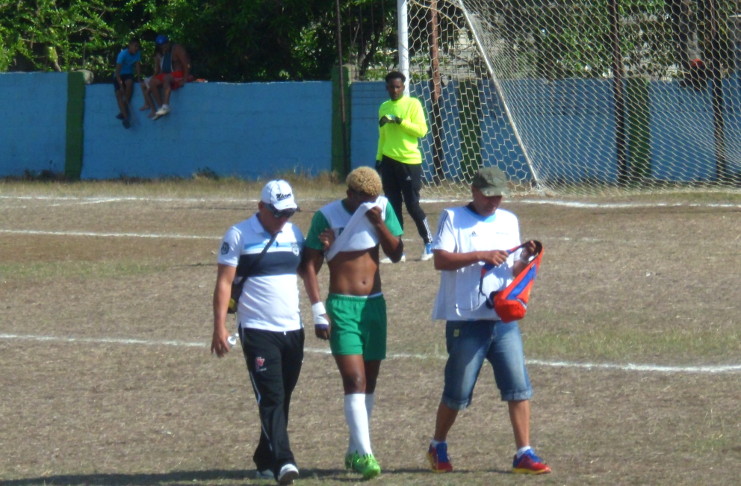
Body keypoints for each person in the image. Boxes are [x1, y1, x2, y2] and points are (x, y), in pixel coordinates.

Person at [425, 167, 551, 475]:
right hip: (465, 319)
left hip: (502, 318)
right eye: (488, 195)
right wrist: (479, 255)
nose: (494, 202)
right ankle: (437, 445)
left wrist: (527, 258)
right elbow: (440, 260)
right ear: (474, 191)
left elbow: (513, 269)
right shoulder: (453, 218)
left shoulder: (509, 221)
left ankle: (524, 452)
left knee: (518, 386)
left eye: (498, 196)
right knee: (457, 391)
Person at [302, 166, 404, 480]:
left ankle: (354, 449)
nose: (372, 203)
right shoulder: (326, 216)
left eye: (375, 198)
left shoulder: (383, 208)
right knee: (354, 382)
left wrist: (378, 222)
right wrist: (319, 310)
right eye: (365, 199)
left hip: (374, 306)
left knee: (369, 384)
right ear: (351, 194)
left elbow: (397, 252)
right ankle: (366, 456)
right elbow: (308, 265)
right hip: (342, 307)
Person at [211, 180, 305, 485]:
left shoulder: (295, 234)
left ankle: (264, 458)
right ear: (261, 207)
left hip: (293, 328)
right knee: (271, 396)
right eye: (278, 213)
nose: (283, 220)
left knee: (283, 396)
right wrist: (219, 327)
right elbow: (225, 283)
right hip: (257, 330)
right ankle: (284, 462)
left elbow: (307, 269)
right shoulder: (238, 235)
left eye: (289, 213)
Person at [376, 70, 432, 262]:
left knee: (412, 204)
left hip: (409, 162)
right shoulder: (383, 107)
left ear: (404, 87)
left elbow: (421, 131)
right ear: (386, 88)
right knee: (392, 207)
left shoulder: (412, 104)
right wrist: (379, 159)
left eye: (398, 87)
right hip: (389, 162)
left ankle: (429, 243)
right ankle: (397, 251)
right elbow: (382, 137)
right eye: (391, 87)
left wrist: (399, 121)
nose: (394, 90)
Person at [149, 34, 190, 119]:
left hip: (179, 74)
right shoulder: (163, 52)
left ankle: (166, 105)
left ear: (168, 43)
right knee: (152, 82)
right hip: (169, 74)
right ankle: (161, 107)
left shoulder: (177, 49)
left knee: (166, 78)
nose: (163, 47)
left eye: (164, 45)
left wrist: (185, 79)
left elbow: (186, 65)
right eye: (161, 46)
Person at [113, 39, 141, 129]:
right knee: (118, 94)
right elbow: (117, 71)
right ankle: (125, 117)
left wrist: (139, 77)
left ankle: (124, 107)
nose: (136, 48)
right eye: (135, 46)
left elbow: (137, 65)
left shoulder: (137, 54)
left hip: (128, 74)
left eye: (137, 46)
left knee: (129, 83)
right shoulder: (122, 54)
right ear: (130, 45)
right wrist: (120, 85)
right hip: (119, 75)